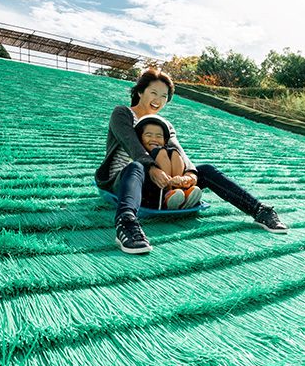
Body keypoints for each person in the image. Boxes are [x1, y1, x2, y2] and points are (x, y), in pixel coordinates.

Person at [95, 68, 288, 254]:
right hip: (124, 179)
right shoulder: (122, 113)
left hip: (159, 180)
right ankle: (126, 224)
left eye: (164, 96)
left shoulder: (165, 125)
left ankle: (260, 210)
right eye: (153, 93)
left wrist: (190, 173)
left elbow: (178, 150)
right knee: (135, 166)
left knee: (206, 170)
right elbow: (132, 146)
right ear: (139, 92)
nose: (158, 100)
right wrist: (152, 168)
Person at [134, 114, 202, 210]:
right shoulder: (139, 154)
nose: (154, 139)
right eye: (148, 135)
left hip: (174, 183)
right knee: (160, 152)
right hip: (151, 191)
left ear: (165, 140)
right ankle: (168, 193)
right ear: (140, 138)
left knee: (174, 152)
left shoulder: (169, 152)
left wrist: (181, 179)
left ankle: (180, 191)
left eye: (159, 136)